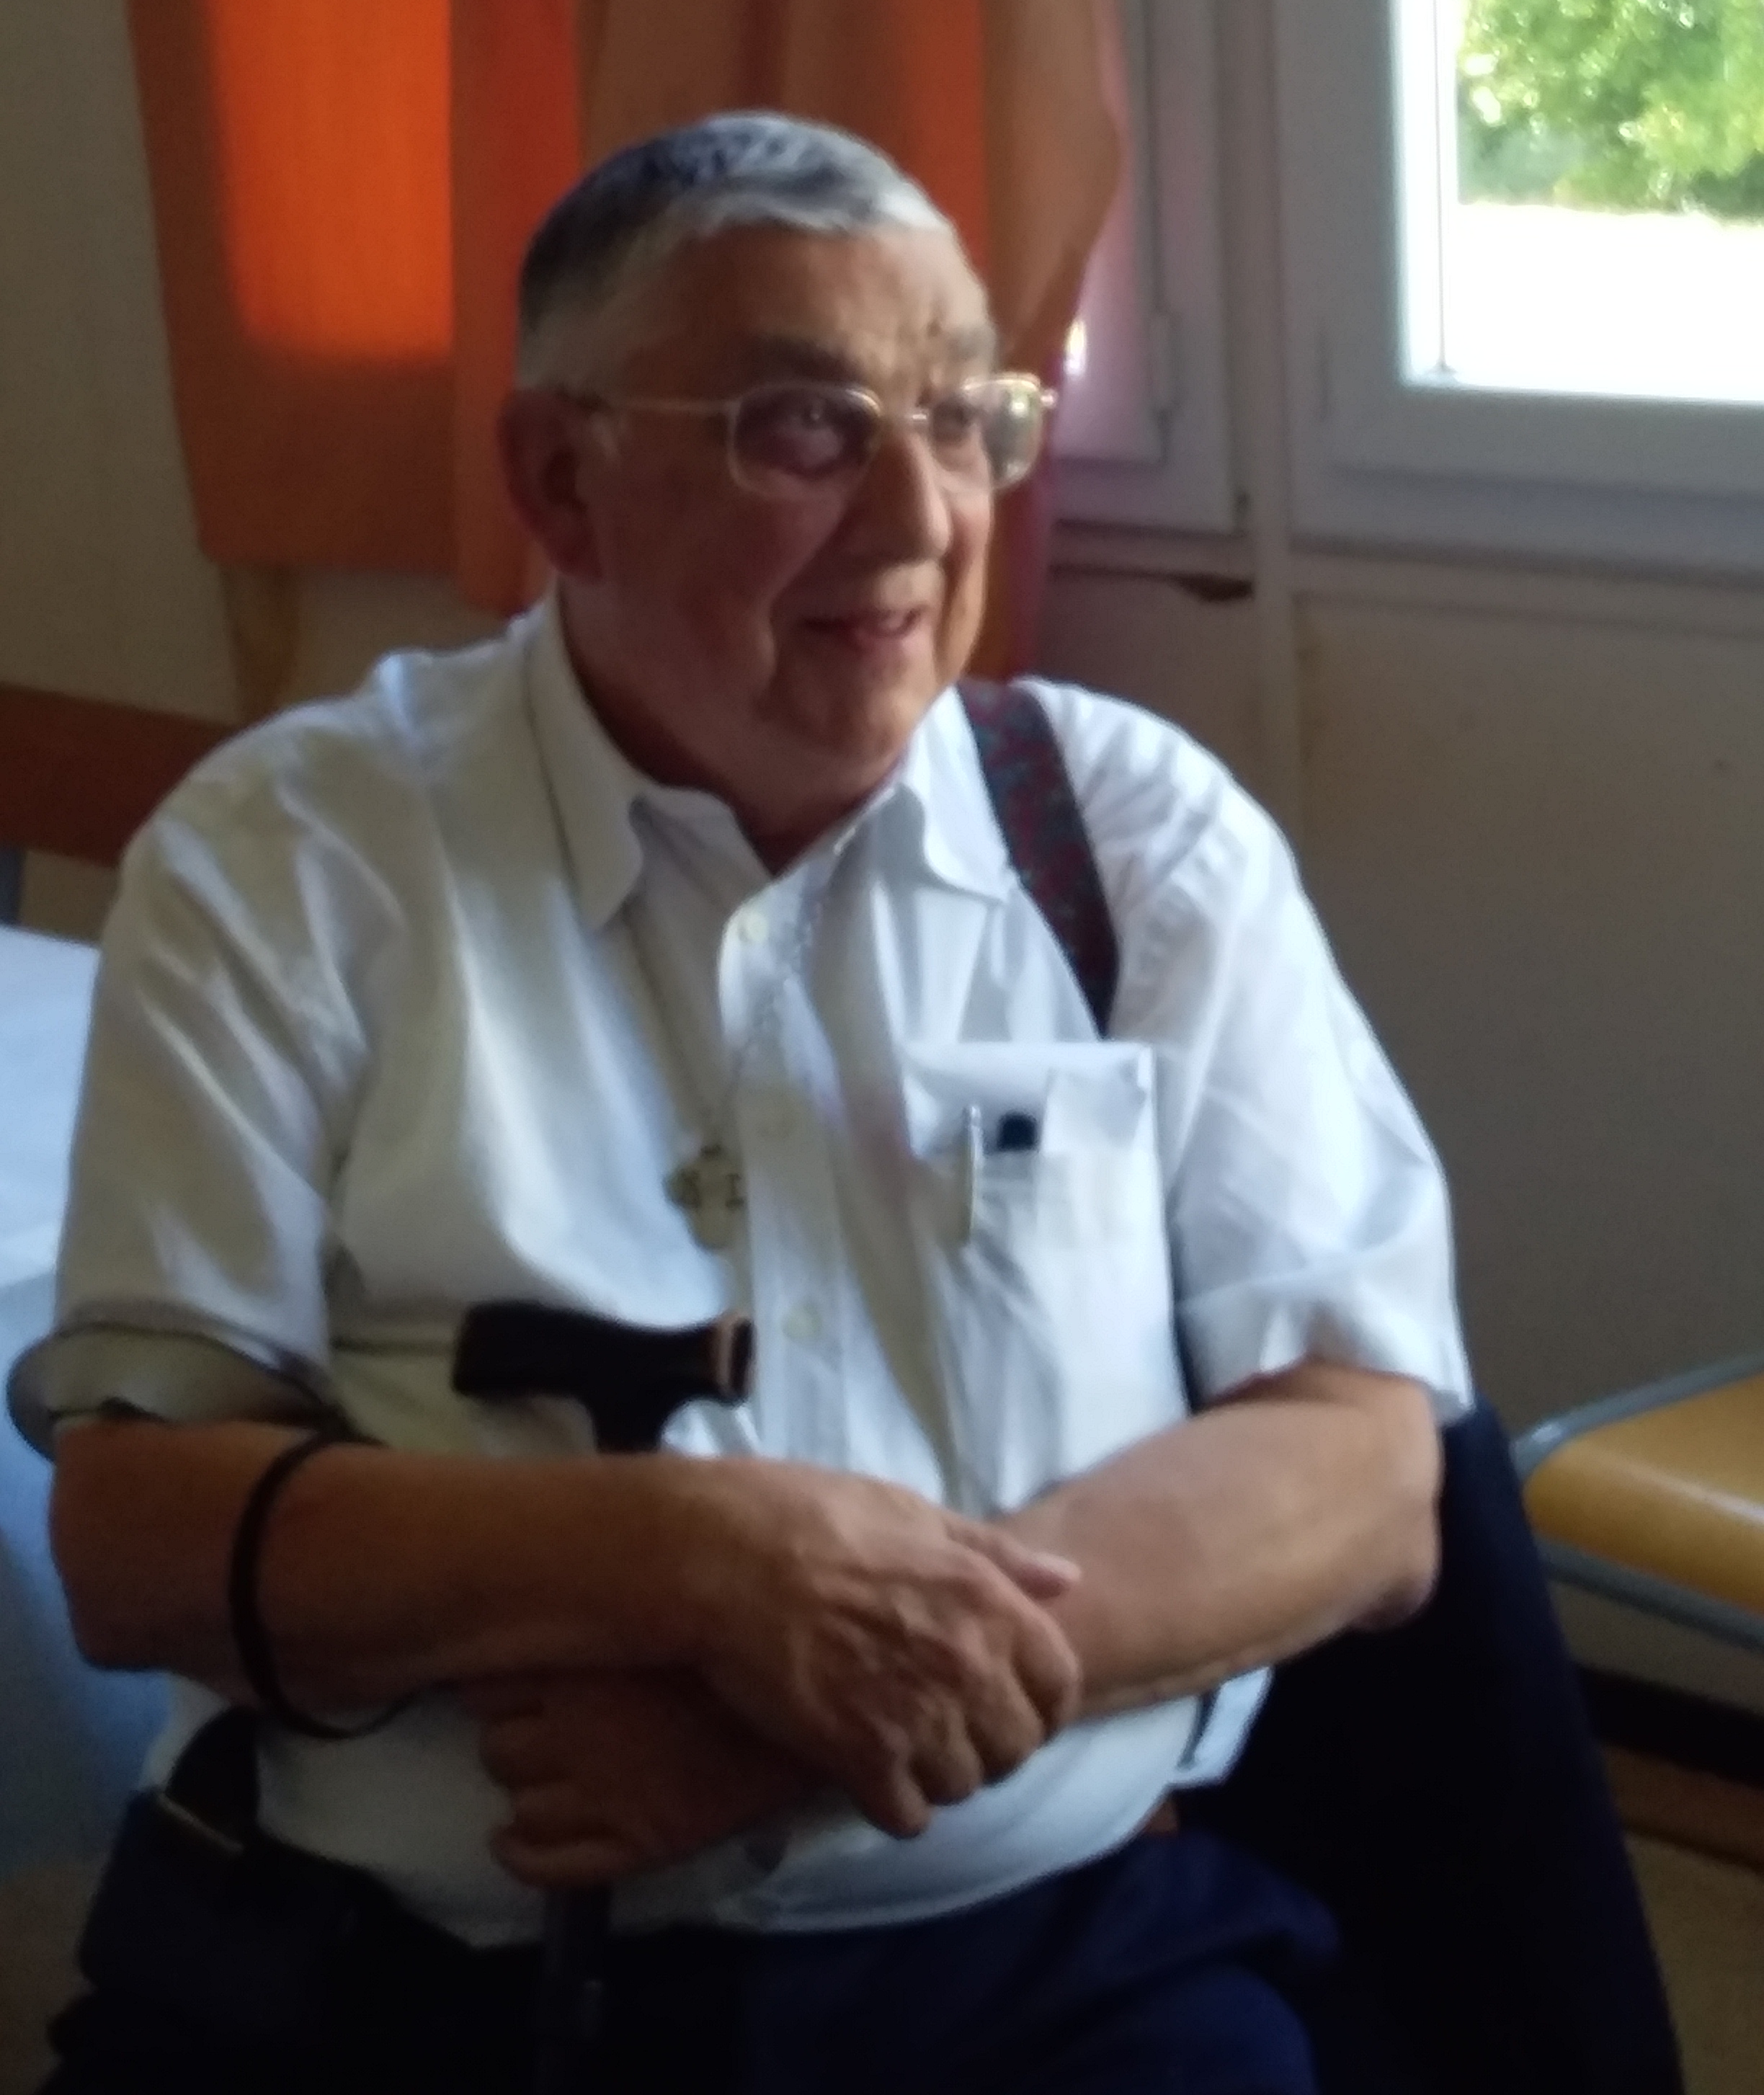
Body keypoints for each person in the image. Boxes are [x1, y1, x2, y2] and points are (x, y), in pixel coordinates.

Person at [16, 112, 1471, 2094]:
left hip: (1045, 1957)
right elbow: (135, 1542)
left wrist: (809, 1715)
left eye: (962, 419)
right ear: (562, 480)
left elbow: (1365, 1470)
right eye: (804, 428)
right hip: (419, 1985)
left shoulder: (1124, 836)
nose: (920, 519)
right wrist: (696, 1561)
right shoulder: (298, 859)